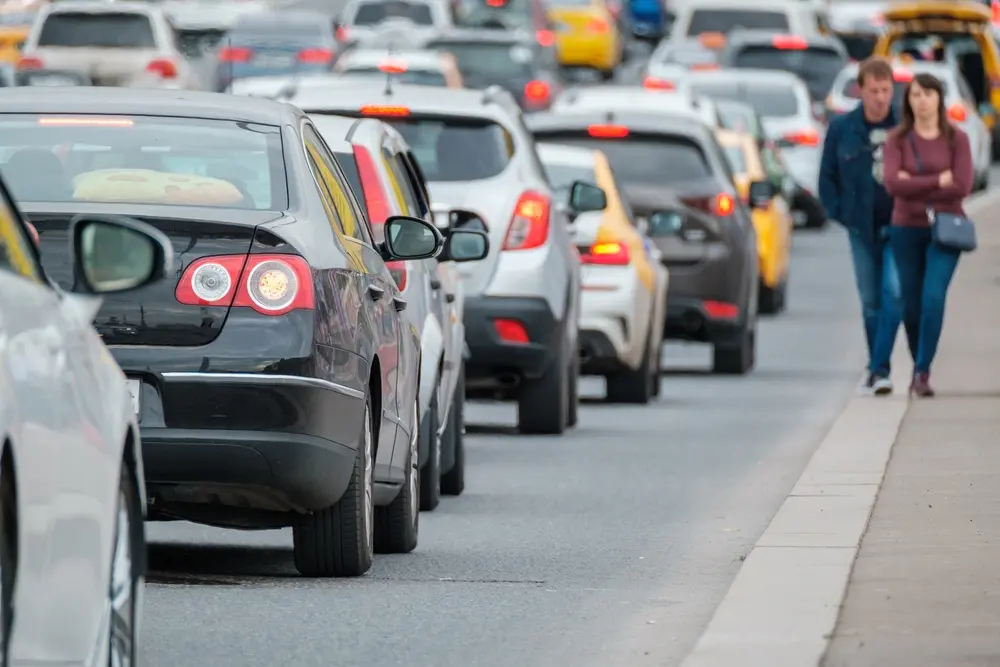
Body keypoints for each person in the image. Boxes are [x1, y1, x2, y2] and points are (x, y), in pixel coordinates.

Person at [882, 73, 973, 398]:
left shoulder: (956, 139)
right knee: (911, 302)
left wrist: (916, 183)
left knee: (933, 297)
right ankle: (918, 360)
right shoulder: (897, 139)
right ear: (908, 101)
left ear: (939, 99)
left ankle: (922, 371)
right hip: (906, 227)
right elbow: (893, 184)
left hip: (946, 231)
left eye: (928, 94)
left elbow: (962, 185)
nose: (922, 101)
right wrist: (937, 181)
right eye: (916, 95)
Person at [819, 56, 902, 395]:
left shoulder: (904, 126)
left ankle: (879, 368)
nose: (880, 98)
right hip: (861, 228)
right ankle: (877, 366)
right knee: (871, 300)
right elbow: (827, 178)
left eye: (885, 90)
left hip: (900, 226)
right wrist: (844, 214)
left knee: (894, 293)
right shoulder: (843, 129)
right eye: (874, 91)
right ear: (861, 91)